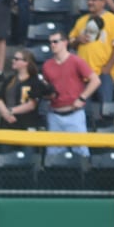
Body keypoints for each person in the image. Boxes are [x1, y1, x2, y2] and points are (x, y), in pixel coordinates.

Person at [41, 30, 101, 165]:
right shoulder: (47, 65)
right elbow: (46, 87)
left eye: (55, 41)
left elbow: (95, 80)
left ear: (65, 43)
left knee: (81, 151)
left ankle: (84, 181)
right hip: (55, 113)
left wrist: (82, 98)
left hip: (74, 113)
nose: (52, 45)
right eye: (50, 42)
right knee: (53, 154)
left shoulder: (77, 61)